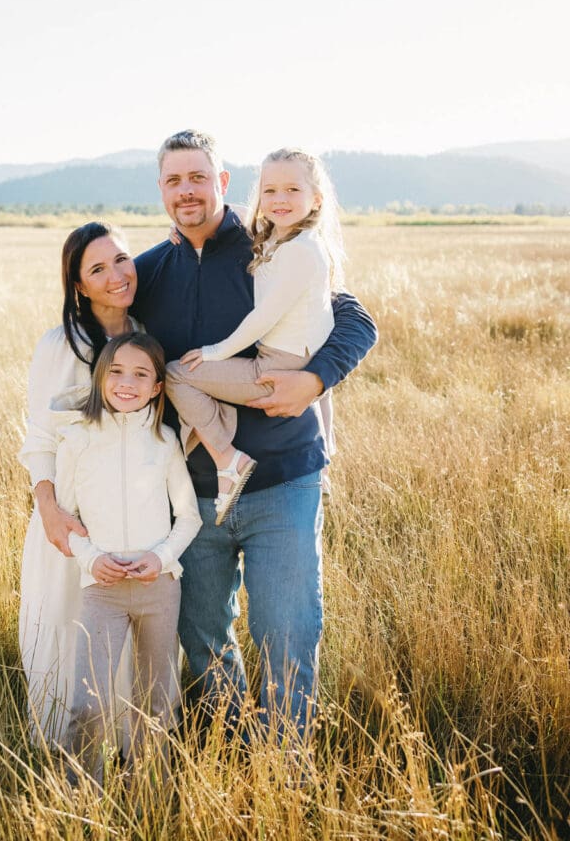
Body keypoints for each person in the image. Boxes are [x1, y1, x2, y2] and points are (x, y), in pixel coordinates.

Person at [132, 129, 377, 737]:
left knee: (287, 634)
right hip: (191, 496)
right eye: (173, 180)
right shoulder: (146, 274)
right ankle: (233, 751)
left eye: (199, 178)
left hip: (283, 482)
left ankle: (287, 773)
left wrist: (315, 379)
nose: (186, 191)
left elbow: (354, 319)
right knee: (204, 642)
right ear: (160, 189)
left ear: (222, 183)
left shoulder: (271, 242)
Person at [166, 147, 342, 524]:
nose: (280, 200)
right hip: (285, 357)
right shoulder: (275, 241)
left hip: (276, 368)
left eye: (293, 190)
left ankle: (228, 459)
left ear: (316, 200)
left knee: (177, 373)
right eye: (270, 190)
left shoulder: (301, 251)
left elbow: (266, 318)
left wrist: (215, 352)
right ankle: (323, 455)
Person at [55, 333, 201, 784]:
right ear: (100, 377)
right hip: (103, 589)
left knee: (156, 700)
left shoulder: (165, 440)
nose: (126, 383)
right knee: (88, 701)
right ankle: (79, 794)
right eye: (116, 371)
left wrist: (162, 558)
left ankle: (147, 790)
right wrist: (90, 557)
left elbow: (190, 517)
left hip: (159, 587)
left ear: (158, 387)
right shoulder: (77, 438)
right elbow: (64, 519)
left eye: (141, 375)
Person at [17, 221, 142, 749]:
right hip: (73, 511)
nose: (115, 275)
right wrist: (48, 508)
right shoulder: (62, 345)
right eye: (97, 268)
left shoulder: (148, 333)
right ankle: (64, 753)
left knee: (132, 632)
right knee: (70, 622)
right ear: (78, 286)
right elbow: (39, 436)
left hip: (138, 509)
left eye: (121, 259)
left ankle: (128, 745)